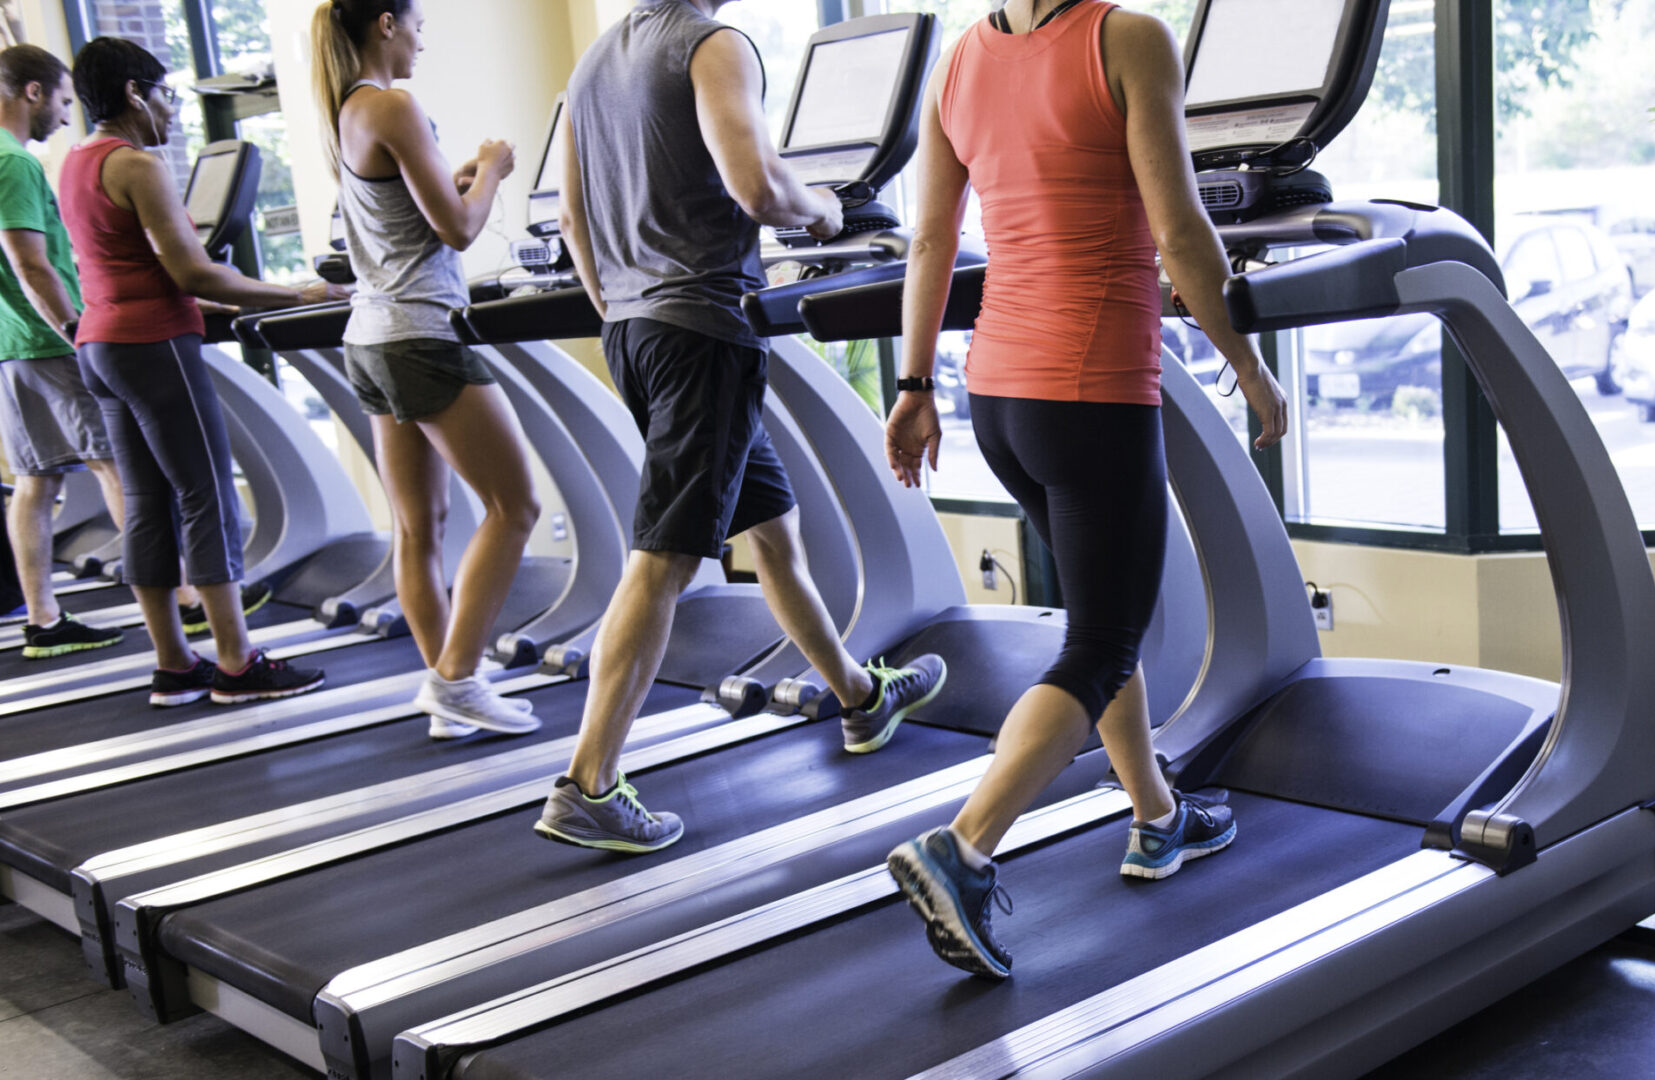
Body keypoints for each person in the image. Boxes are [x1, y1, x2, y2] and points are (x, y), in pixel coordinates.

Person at [884, 0, 1289, 979]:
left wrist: (911, 385)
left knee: (1098, 625)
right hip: (1094, 388)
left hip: (999, 399)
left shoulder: (960, 61)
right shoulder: (1130, 37)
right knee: (1105, 642)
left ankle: (1158, 816)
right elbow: (1182, 227)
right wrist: (1247, 364)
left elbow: (932, 240)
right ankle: (965, 844)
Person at [537, 0, 948, 855]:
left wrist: (624, 301)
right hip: (701, 331)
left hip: (635, 332)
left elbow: (573, 219)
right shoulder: (711, 44)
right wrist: (828, 212)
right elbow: (755, 185)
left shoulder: (593, 64)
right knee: (666, 557)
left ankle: (858, 700)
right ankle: (588, 783)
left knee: (774, 528)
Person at [60, 36, 344, 706]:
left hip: (100, 346)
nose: (171, 110)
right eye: (164, 94)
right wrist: (297, 294)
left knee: (147, 504)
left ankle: (175, 665)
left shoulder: (77, 162)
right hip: (153, 345)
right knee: (206, 495)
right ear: (134, 92)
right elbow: (189, 270)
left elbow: (130, 265)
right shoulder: (136, 164)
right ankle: (238, 664)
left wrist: (213, 295)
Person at [312, 0, 544, 740]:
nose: (421, 42)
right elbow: (459, 227)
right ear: (385, 23)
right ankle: (456, 680)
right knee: (516, 508)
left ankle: (452, 690)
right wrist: (496, 172)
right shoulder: (394, 104)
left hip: (372, 339)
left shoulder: (346, 111)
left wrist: (461, 173)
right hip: (420, 335)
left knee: (419, 527)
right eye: (417, 26)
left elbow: (412, 209)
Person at [0, 43, 126, 658]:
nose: (64, 114)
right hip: (47, 339)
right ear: (32, 92)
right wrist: (77, 332)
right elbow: (28, 260)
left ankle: (44, 621)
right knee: (115, 463)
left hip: (10, 344)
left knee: (35, 480)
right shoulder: (15, 162)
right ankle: (187, 599)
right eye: (62, 100)